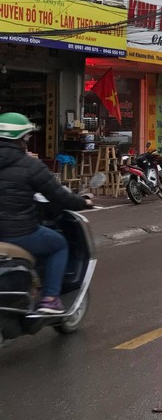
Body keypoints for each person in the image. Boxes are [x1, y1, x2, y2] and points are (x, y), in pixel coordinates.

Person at [0, 113, 92, 313]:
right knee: (59, 244)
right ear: (23, 138)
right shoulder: (30, 166)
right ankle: (50, 298)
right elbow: (60, 196)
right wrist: (83, 202)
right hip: (19, 233)